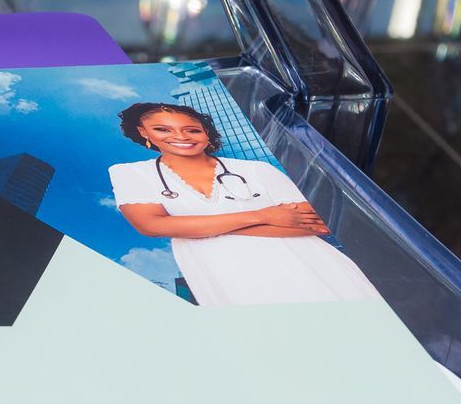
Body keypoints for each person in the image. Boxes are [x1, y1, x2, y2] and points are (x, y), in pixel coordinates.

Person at [109, 102, 380, 306]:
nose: (181, 136)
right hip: (223, 270)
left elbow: (314, 223)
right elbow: (151, 225)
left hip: (303, 261)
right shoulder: (129, 173)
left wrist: (192, 228)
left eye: (192, 129)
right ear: (143, 133)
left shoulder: (257, 170)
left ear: (206, 133)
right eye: (162, 129)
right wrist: (264, 214)